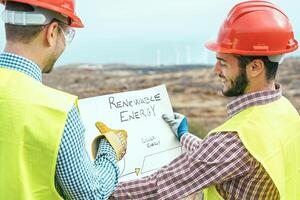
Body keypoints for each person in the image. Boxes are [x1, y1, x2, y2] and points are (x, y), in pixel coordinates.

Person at [110, 1, 300, 199]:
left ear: (255, 68)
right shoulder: (285, 111)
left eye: (223, 63)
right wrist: (184, 135)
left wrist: (94, 192)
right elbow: (224, 160)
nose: (215, 71)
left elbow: (160, 185)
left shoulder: (234, 140)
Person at [0, 0, 127, 199]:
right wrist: (109, 150)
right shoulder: (57, 111)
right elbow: (90, 195)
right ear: (52, 33)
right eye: (67, 33)